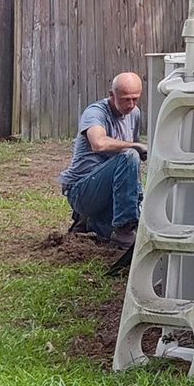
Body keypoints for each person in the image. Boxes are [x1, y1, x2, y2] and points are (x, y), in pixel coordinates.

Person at [62, 71, 145, 255]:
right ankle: (123, 230)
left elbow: (132, 170)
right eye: (125, 99)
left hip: (110, 194)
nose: (131, 105)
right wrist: (135, 145)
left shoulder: (135, 114)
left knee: (146, 222)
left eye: (135, 99)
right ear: (112, 94)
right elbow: (98, 143)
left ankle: (91, 222)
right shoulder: (95, 113)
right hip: (82, 190)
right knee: (130, 155)